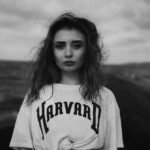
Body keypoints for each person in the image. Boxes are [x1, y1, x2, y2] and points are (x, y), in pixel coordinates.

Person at [9, 12, 124, 150]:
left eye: (76, 45)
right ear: (51, 51)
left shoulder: (106, 97)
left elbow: (112, 147)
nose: (68, 53)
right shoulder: (35, 95)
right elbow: (22, 146)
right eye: (60, 46)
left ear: (88, 50)